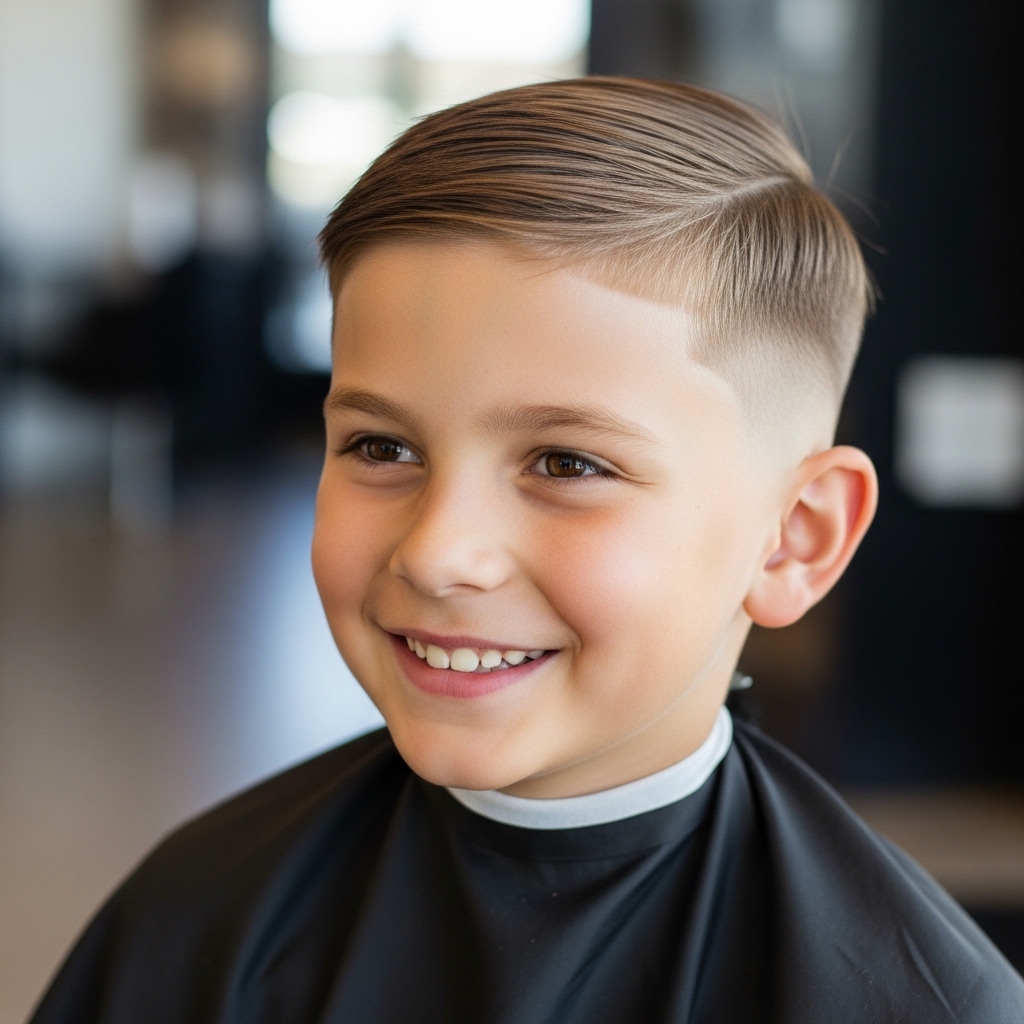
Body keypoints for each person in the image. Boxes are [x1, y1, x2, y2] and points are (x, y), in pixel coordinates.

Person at [30, 78, 1024, 1024]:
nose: (439, 553)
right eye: (382, 447)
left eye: (565, 462)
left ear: (794, 538)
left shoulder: (912, 998)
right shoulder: (198, 918)